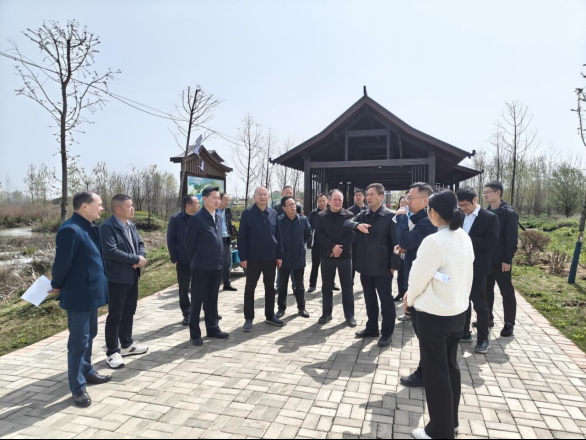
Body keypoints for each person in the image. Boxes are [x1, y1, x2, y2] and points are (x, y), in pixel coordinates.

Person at [405, 190, 474, 440]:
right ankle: (451, 422)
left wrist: (410, 300)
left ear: (433, 212)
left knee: (436, 374)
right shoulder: (463, 236)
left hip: (434, 315)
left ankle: (439, 432)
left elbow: (417, 278)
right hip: (457, 312)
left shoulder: (434, 241)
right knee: (450, 367)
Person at [49, 191, 111, 408]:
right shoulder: (71, 230)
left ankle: (87, 371)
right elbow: (62, 263)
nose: (102, 208)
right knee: (78, 342)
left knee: (90, 335)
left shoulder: (89, 227)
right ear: (85, 206)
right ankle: (77, 388)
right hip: (79, 294)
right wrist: (56, 283)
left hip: (91, 291)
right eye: (99, 204)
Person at [344, 183, 401, 347]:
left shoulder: (390, 216)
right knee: (369, 299)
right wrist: (357, 225)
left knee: (386, 301)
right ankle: (372, 328)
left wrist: (394, 264)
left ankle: (387, 333)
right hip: (365, 265)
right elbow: (346, 223)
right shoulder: (363, 215)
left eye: (372, 194)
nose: (368, 197)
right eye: (367, 194)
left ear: (381, 197)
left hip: (383, 266)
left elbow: (396, 244)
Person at [396, 182, 437, 388]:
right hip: (417, 280)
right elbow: (410, 243)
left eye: (411, 198)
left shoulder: (428, 223)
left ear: (425, 200)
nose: (407, 202)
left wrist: (401, 217)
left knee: (425, 333)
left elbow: (406, 239)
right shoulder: (422, 219)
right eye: (406, 198)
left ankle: (425, 373)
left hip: (423, 286)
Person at [100, 195, 148, 370]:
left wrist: (140, 257)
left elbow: (140, 243)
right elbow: (111, 251)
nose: (133, 208)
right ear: (118, 209)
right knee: (116, 315)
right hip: (117, 278)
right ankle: (112, 352)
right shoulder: (107, 227)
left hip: (132, 274)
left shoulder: (131, 225)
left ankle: (127, 345)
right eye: (130, 206)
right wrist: (134, 259)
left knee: (129, 311)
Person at [184, 186, 229, 346]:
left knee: (212, 300)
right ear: (204, 199)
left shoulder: (218, 217)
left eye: (218, 198)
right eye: (214, 198)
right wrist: (197, 260)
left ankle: (213, 328)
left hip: (216, 266)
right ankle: (195, 333)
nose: (217, 200)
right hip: (201, 267)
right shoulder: (197, 219)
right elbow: (189, 244)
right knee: (197, 300)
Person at [457, 187, 499, 354]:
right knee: (463, 301)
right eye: (460, 205)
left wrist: (466, 239)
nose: (463, 208)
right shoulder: (459, 216)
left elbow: (491, 243)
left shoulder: (489, 218)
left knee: (480, 304)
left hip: (478, 268)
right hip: (460, 266)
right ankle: (464, 332)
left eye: (466, 205)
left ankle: (483, 339)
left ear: (474, 200)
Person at [239, 187, 284, 332]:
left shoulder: (273, 213)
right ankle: (248, 318)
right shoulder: (247, 213)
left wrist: (279, 255)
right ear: (254, 197)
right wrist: (243, 257)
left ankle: (270, 315)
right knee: (250, 288)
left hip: (270, 258)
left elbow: (278, 235)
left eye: (265, 194)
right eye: (260, 194)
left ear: (269, 197)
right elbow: (242, 237)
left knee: (270, 288)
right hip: (252, 258)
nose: (262, 197)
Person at [482, 181, 519, 337]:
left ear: (498, 193)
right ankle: (488, 318)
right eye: (484, 192)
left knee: (507, 292)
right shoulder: (485, 212)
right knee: (486, 291)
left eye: (488, 192)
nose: (485, 195)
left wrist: (507, 259)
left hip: (501, 261)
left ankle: (509, 323)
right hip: (486, 260)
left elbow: (511, 239)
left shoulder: (508, 213)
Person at [315, 189, 356, 327]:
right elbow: (320, 234)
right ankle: (326, 313)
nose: (337, 202)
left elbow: (351, 234)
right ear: (328, 201)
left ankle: (349, 315)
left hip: (345, 256)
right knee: (326, 286)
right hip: (326, 256)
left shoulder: (349, 215)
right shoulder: (321, 216)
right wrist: (332, 247)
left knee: (347, 287)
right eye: (335, 199)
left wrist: (339, 249)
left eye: (340, 200)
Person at [276, 196, 312, 319]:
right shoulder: (279, 221)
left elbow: (308, 234)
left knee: (299, 285)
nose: (293, 206)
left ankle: (301, 308)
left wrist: (300, 244)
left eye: (294, 204)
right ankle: (281, 308)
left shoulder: (303, 219)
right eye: (290, 205)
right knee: (282, 285)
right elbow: (275, 237)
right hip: (284, 257)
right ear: (284, 208)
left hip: (298, 256)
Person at [167, 195, 200, 326]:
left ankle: (204, 311)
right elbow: (171, 239)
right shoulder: (176, 219)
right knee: (184, 288)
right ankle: (187, 313)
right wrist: (175, 257)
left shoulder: (200, 218)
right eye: (196, 203)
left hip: (200, 259)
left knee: (201, 287)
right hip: (183, 260)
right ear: (188, 206)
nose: (199, 205)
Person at [308, 194, 339, 293]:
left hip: (329, 243)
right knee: (315, 264)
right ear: (317, 202)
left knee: (330, 265)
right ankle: (312, 285)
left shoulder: (332, 212)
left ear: (327, 201)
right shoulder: (313, 213)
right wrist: (310, 243)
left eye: (323, 201)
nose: (322, 203)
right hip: (317, 243)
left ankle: (331, 283)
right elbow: (310, 229)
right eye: (320, 201)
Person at [275, 185, 298, 290]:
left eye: (290, 193)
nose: (288, 194)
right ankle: (279, 286)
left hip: (294, 244)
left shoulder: (297, 207)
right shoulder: (276, 209)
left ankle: (295, 286)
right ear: (282, 194)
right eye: (286, 193)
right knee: (281, 266)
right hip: (282, 244)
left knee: (294, 268)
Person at [217, 193, 238, 292]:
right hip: (217, 240)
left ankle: (227, 284)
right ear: (219, 199)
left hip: (226, 239)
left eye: (228, 200)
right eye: (225, 200)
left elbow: (229, 224)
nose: (227, 202)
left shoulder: (228, 211)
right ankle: (214, 285)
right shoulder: (213, 211)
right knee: (216, 263)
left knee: (227, 263)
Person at [348, 188, 367, 282]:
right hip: (354, 242)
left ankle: (366, 284)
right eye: (356, 195)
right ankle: (350, 283)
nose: (358, 197)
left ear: (364, 197)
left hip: (366, 242)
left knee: (366, 263)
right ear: (354, 197)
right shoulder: (349, 211)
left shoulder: (369, 209)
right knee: (352, 263)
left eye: (360, 195)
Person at [393, 196, 409, 303]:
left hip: (407, 249)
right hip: (398, 249)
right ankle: (400, 292)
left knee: (407, 274)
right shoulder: (396, 216)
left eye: (405, 202)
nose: (403, 204)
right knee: (400, 274)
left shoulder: (411, 216)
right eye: (401, 202)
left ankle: (407, 295)